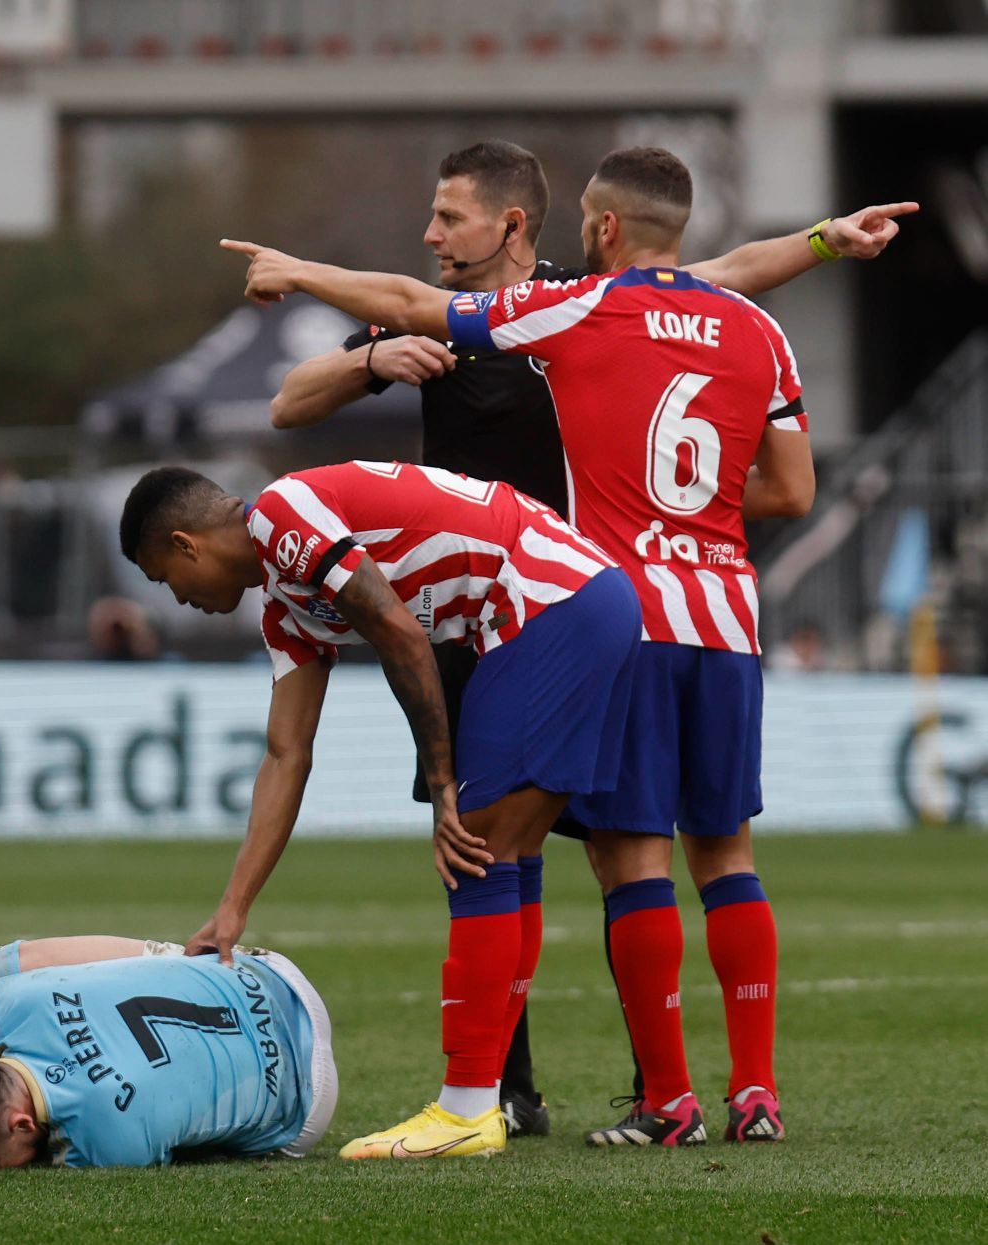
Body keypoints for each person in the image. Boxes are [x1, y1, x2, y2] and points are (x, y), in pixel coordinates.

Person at [268, 139, 916, 1135]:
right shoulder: (755, 330)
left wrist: (296, 268)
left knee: (624, 858)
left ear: (600, 227)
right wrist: (689, 495)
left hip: (606, 613)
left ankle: (663, 1101)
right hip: (728, 616)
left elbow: (407, 301)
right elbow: (790, 487)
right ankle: (755, 1094)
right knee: (728, 855)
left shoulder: (574, 308)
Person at [120, 460, 641, 1160]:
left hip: (549, 601)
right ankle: (484, 1101)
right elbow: (286, 754)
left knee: (475, 849)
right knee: (503, 853)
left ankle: (464, 1108)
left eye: (163, 578)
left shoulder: (280, 515)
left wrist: (443, 785)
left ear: (186, 543)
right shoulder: (286, 606)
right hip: (574, 599)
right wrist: (234, 906)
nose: (175, 598)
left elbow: (397, 628)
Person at [0, 934, 336, 1168]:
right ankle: (172, 958)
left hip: (306, 1106)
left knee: (161, 1128)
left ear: (21, 1124)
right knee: (5, 965)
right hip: (264, 972)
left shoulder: (101, 1147)